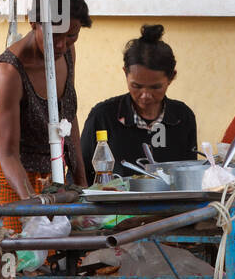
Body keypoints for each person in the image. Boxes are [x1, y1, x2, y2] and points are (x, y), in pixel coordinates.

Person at [0, 0, 90, 210]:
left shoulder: (67, 54)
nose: (63, 45)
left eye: (72, 35)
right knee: (22, 246)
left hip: (55, 178)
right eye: (55, 35)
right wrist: (34, 205)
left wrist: (83, 184)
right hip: (13, 185)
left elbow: (69, 117)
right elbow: (8, 154)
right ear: (33, 21)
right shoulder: (9, 72)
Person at [81, 24, 198, 176]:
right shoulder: (103, 116)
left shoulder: (182, 117)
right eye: (136, 86)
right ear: (125, 73)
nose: (145, 95)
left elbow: (191, 174)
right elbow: (80, 174)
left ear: (171, 78)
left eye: (155, 87)